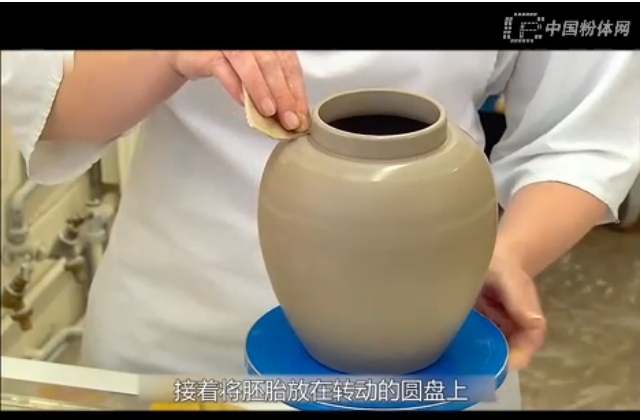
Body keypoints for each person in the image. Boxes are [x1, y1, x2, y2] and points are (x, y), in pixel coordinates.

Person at [2, 51, 638, 375]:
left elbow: (584, 130)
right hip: (184, 331)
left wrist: (502, 254)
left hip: (431, 341)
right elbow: (48, 99)